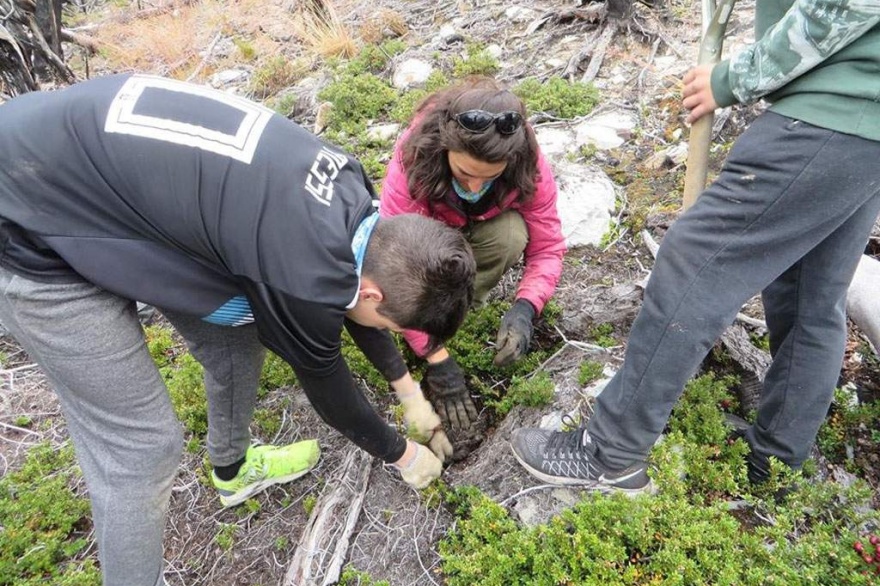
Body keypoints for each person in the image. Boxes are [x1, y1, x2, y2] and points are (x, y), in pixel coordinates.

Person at [0, 73, 475, 586]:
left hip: (88, 170)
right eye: (389, 323)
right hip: (26, 218)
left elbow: (352, 295)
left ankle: (232, 470)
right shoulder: (297, 274)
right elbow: (329, 385)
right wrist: (401, 455)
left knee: (238, 324)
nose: (382, 326)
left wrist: (407, 392)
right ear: (375, 296)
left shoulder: (350, 187)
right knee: (141, 447)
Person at [512, 0, 880, 494]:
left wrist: (730, 79)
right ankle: (773, 466)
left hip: (827, 116)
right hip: (864, 128)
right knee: (809, 294)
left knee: (693, 257)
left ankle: (610, 453)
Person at [380, 78, 566, 443]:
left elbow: (547, 248)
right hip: (427, 238)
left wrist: (526, 307)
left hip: (482, 231)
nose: (476, 186)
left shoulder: (527, 164)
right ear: (446, 148)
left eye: (490, 177)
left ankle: (460, 311)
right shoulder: (414, 160)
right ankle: (431, 322)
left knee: (511, 234)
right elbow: (392, 268)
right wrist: (436, 358)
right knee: (418, 273)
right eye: (465, 174)